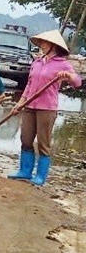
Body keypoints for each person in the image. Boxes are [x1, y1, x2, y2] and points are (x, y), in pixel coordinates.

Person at [8, 30, 82, 185]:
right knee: (26, 139)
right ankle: (25, 171)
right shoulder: (37, 62)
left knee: (43, 142)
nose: (41, 45)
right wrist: (19, 104)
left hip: (47, 108)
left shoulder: (63, 64)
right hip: (29, 105)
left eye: (44, 42)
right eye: (41, 42)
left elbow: (77, 82)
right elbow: (29, 85)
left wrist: (68, 76)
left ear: (53, 46)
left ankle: (40, 176)